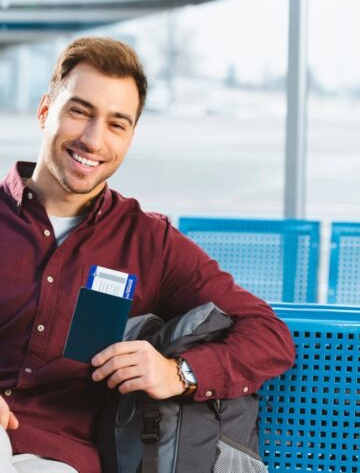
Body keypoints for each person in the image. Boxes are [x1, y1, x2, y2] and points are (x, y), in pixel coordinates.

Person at [0, 37, 295, 473]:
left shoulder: (149, 244)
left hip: (56, 460)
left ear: (130, 136)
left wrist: (180, 373)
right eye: (79, 111)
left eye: (116, 124)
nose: (93, 139)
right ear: (46, 111)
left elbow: (270, 335)